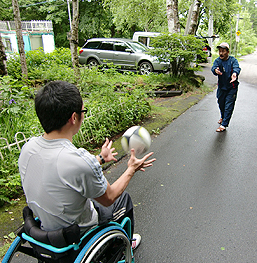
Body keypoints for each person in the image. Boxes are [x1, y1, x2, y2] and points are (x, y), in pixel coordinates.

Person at [18, 80, 156, 249]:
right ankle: (121, 246)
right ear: (73, 117)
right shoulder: (80, 160)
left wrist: (100, 159)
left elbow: (64, 170)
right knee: (123, 199)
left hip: (44, 231)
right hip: (78, 234)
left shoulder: (28, 148)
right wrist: (131, 168)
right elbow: (109, 197)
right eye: (82, 111)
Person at [211, 42, 241, 132]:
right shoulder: (218, 60)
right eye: (220, 51)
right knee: (221, 103)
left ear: (227, 52)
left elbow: (236, 68)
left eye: (223, 51)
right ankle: (223, 116)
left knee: (228, 105)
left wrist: (234, 74)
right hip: (221, 87)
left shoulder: (232, 60)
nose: (221, 53)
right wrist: (215, 70)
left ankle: (224, 125)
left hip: (232, 87)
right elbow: (214, 67)